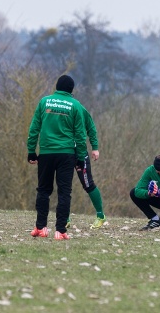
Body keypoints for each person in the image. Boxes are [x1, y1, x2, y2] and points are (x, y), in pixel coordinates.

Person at [27, 75, 87, 240]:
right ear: (71, 90)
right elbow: (80, 135)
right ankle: (60, 231)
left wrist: (31, 150)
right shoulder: (75, 105)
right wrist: (81, 157)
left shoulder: (44, 101)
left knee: (43, 190)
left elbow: (34, 128)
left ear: (57, 86)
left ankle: (40, 228)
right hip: (67, 154)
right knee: (64, 192)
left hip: (46, 153)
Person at [70, 106, 106, 229]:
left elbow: (90, 127)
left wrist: (95, 147)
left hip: (80, 152)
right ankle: (64, 218)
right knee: (64, 185)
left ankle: (100, 216)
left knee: (88, 184)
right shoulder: (56, 107)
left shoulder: (79, 108)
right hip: (64, 151)